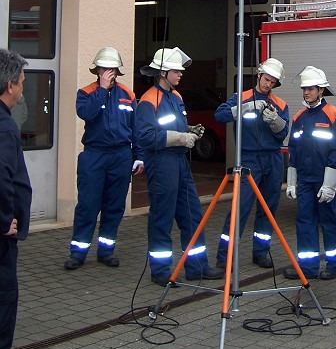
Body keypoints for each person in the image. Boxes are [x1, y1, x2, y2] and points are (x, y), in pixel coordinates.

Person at [136, 47, 223, 286]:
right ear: (163, 72)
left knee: (193, 214)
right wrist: (181, 138)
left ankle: (197, 267)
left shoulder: (176, 97)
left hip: (179, 162)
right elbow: (146, 137)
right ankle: (160, 271)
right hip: (162, 162)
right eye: (177, 70)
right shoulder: (148, 100)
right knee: (162, 217)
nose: (181, 74)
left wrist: (189, 130)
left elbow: (175, 125)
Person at [65, 47, 144, 270]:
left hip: (121, 155)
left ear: (118, 71)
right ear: (97, 70)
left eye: (112, 69)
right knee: (88, 205)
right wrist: (101, 89)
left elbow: (135, 128)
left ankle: (106, 251)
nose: (109, 72)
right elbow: (86, 113)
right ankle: (78, 253)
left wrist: (139, 156)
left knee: (114, 206)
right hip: (94, 155)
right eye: (104, 68)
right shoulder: (86, 92)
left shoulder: (128, 94)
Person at [214, 58, 289, 269]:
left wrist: (275, 121)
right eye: (266, 79)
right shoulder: (241, 97)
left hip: (273, 158)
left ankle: (261, 252)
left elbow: (283, 133)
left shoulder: (280, 104)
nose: (268, 84)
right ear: (259, 75)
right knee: (240, 208)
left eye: (272, 82)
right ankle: (225, 256)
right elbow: (220, 115)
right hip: (248, 159)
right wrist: (245, 107)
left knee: (268, 208)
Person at [283, 66, 336, 281]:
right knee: (304, 222)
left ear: (321, 90)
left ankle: (334, 264)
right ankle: (308, 267)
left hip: (324, 180)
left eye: (310, 89)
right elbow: (293, 150)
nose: (306, 92)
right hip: (305, 180)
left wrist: (329, 185)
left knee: (329, 221)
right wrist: (292, 182)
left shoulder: (334, 115)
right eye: (304, 89)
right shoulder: (299, 117)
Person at [0, 49, 32, 349]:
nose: (23, 90)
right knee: (4, 302)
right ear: (10, 85)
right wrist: (2, 222)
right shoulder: (4, 128)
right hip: (1, 241)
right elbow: (2, 179)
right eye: (21, 82)